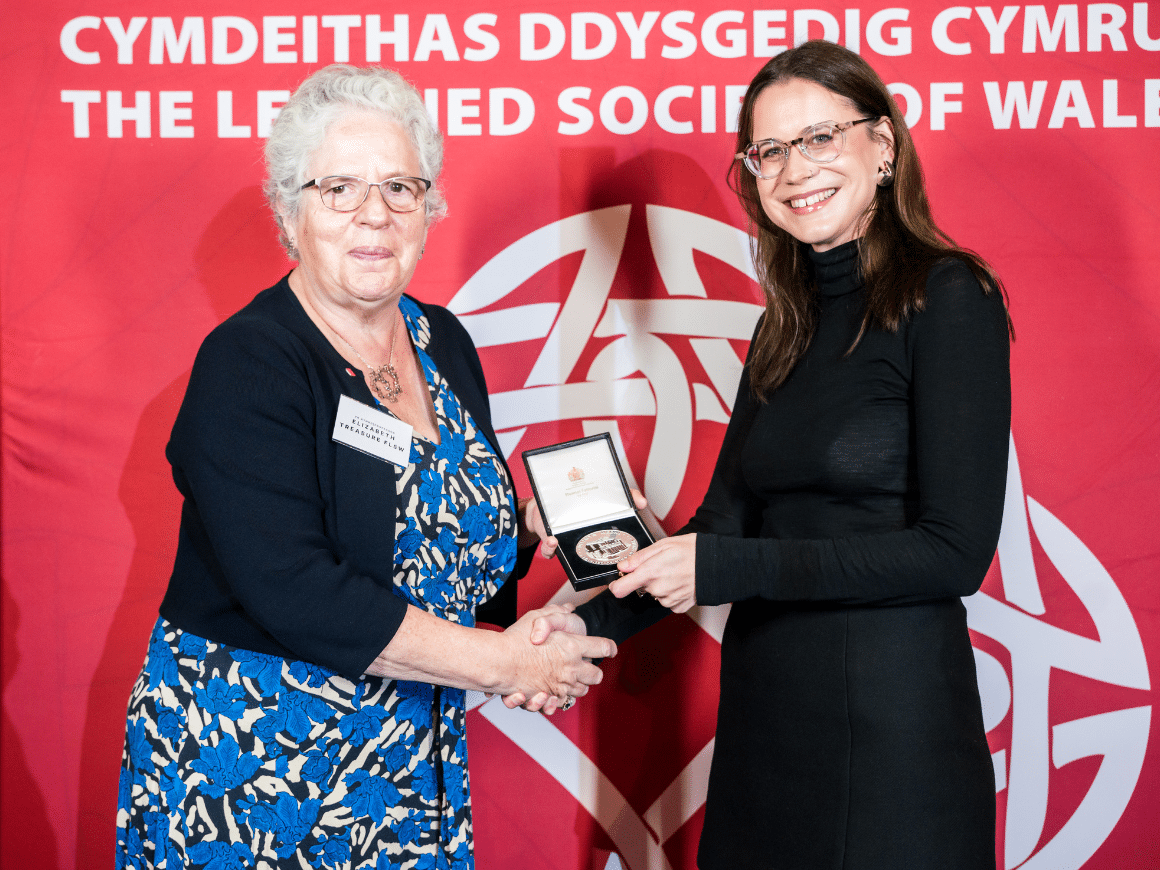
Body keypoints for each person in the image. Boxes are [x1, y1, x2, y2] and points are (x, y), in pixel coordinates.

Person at [521, 40, 1012, 870]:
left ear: (882, 145)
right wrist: (578, 626)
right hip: (766, 727)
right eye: (770, 151)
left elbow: (954, 553)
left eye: (820, 138)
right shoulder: (782, 327)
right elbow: (720, 530)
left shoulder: (950, 295)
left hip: (893, 737)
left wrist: (726, 566)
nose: (794, 171)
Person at [115, 64, 615, 870]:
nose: (374, 214)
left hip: (405, 759)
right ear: (290, 211)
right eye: (339, 189)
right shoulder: (249, 363)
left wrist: (524, 532)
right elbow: (296, 589)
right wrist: (506, 662)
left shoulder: (441, 340)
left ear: (428, 207)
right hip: (256, 768)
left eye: (399, 188)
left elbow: (429, 529)